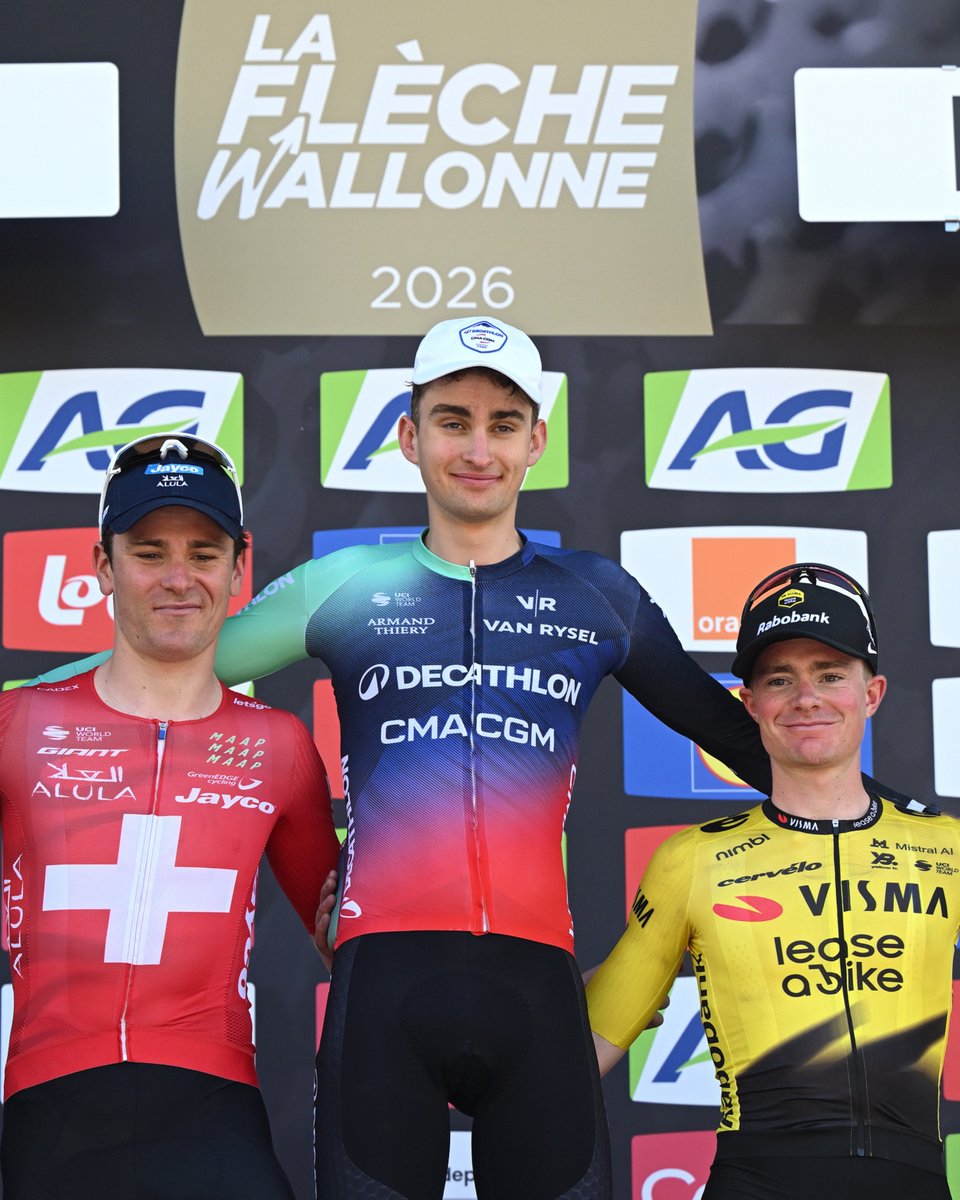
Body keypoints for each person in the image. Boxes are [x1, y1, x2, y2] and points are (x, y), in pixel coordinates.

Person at [31, 320, 898, 1199]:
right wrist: (21, 704)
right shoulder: (350, 585)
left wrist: (893, 823)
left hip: (537, 993)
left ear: (537, 441)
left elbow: (746, 740)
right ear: (409, 438)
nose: (476, 448)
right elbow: (156, 665)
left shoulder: (598, 596)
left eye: (501, 423)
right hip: (383, 992)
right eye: (452, 421)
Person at [1, 434, 340, 1200]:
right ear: (102, 566)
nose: (179, 578)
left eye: (204, 553)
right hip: (51, 1112)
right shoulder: (16, 724)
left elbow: (344, 941)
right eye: (149, 552)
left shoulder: (280, 745)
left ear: (239, 565)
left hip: (214, 1109)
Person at [587, 563, 957, 1200]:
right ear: (749, 703)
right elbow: (585, 1046)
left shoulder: (945, 847)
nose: (806, 698)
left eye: (831, 675)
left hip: (914, 1178)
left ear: (872, 694)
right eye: (779, 680)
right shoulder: (694, 860)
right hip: (758, 1179)